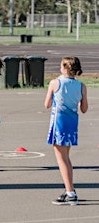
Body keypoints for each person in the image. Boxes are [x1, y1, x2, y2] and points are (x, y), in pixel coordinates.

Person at [45, 57, 87, 206]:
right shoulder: (81, 86)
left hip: (59, 124)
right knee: (66, 158)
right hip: (72, 124)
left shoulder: (55, 83)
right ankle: (69, 189)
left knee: (62, 159)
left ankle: (70, 192)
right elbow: (84, 109)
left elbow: (47, 104)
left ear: (66, 69)